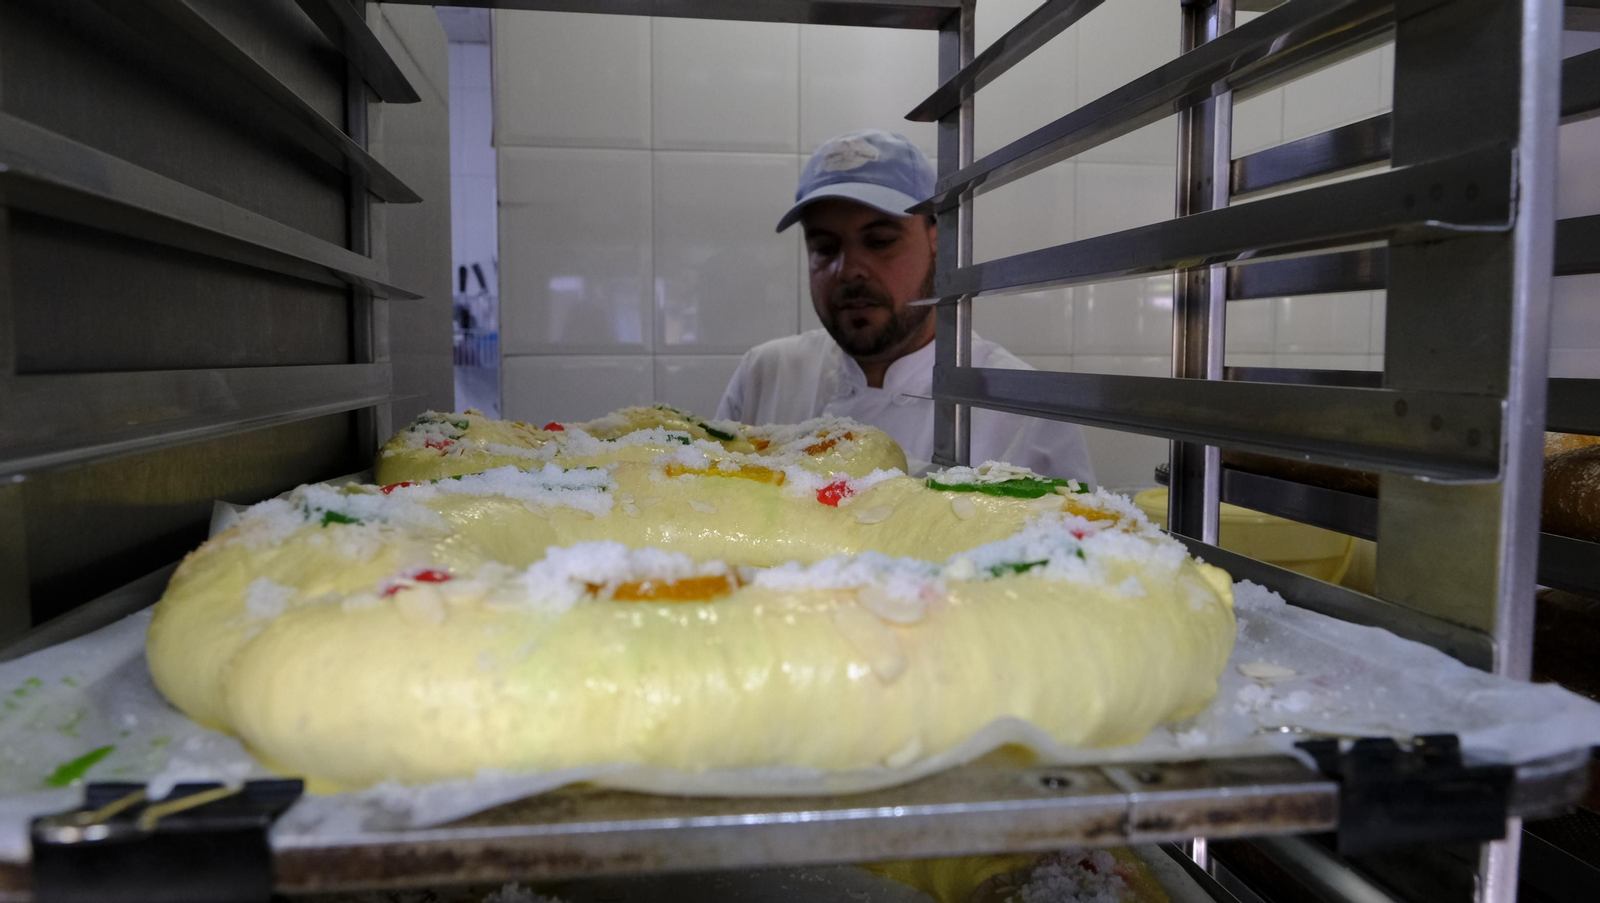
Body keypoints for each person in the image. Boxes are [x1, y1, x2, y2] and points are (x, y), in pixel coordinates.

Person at [716, 129, 1095, 482]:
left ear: (938, 240)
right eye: (825, 248)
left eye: (879, 241)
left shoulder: (1022, 412)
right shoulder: (765, 376)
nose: (849, 271)